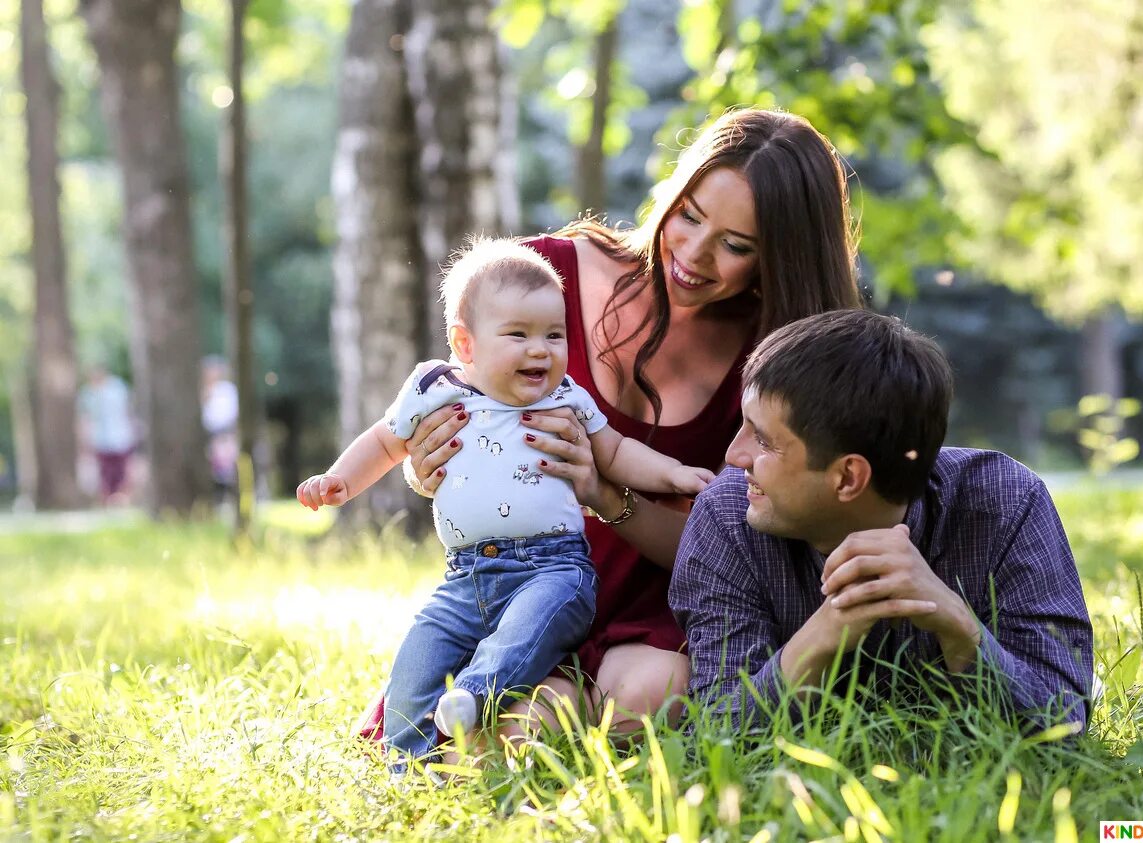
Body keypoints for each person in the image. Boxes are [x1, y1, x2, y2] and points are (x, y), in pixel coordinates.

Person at [400, 107, 863, 737]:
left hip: (659, 608)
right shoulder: (542, 277)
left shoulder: (777, 362)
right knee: (510, 728)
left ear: (779, 258)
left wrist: (605, 494)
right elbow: (456, 407)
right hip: (516, 585)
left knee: (645, 697)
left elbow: (739, 550)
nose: (694, 255)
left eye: (735, 246)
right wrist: (427, 463)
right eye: (690, 216)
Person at [299, 239, 714, 768]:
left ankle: (474, 695)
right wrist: (339, 479)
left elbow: (617, 452)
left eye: (554, 335)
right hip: (466, 575)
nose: (540, 349)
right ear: (465, 344)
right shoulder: (434, 387)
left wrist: (673, 473)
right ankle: (406, 763)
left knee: (526, 633)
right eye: (518, 335)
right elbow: (385, 442)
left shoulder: (565, 395)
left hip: (554, 568)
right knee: (419, 659)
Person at [670, 310, 1094, 730]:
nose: (734, 455)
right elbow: (714, 736)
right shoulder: (727, 518)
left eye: (763, 440)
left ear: (848, 476)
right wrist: (824, 634)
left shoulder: (1005, 504)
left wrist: (959, 628)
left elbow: (1064, 728)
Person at [77, 364, 137, 506]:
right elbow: (86, 418)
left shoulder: (117, 389)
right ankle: (107, 499)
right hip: (100, 439)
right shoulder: (88, 393)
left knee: (121, 471)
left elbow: (127, 410)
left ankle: (122, 499)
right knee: (105, 472)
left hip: (120, 436)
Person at [201, 356, 239, 501]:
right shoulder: (203, 391)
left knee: (227, 468)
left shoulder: (226, 390)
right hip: (208, 435)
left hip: (225, 434)